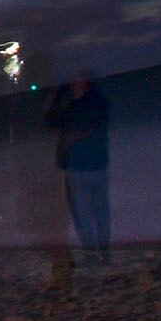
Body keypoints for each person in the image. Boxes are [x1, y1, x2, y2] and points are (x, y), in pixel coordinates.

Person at [46, 75, 112, 266]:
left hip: (80, 166)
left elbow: (54, 122)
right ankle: (103, 253)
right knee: (99, 211)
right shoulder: (99, 103)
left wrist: (57, 97)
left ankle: (93, 255)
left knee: (85, 214)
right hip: (96, 164)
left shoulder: (76, 107)